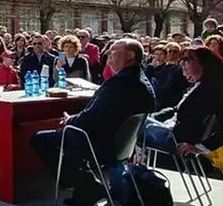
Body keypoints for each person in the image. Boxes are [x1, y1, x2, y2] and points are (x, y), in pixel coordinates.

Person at [30, 39, 156, 206]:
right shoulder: (141, 80)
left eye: (113, 51)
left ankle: (88, 184)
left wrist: (69, 120)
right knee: (69, 141)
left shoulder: (119, 83)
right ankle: (85, 189)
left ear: (131, 55)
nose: (108, 55)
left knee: (39, 139)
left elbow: (90, 120)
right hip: (120, 144)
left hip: (99, 142)